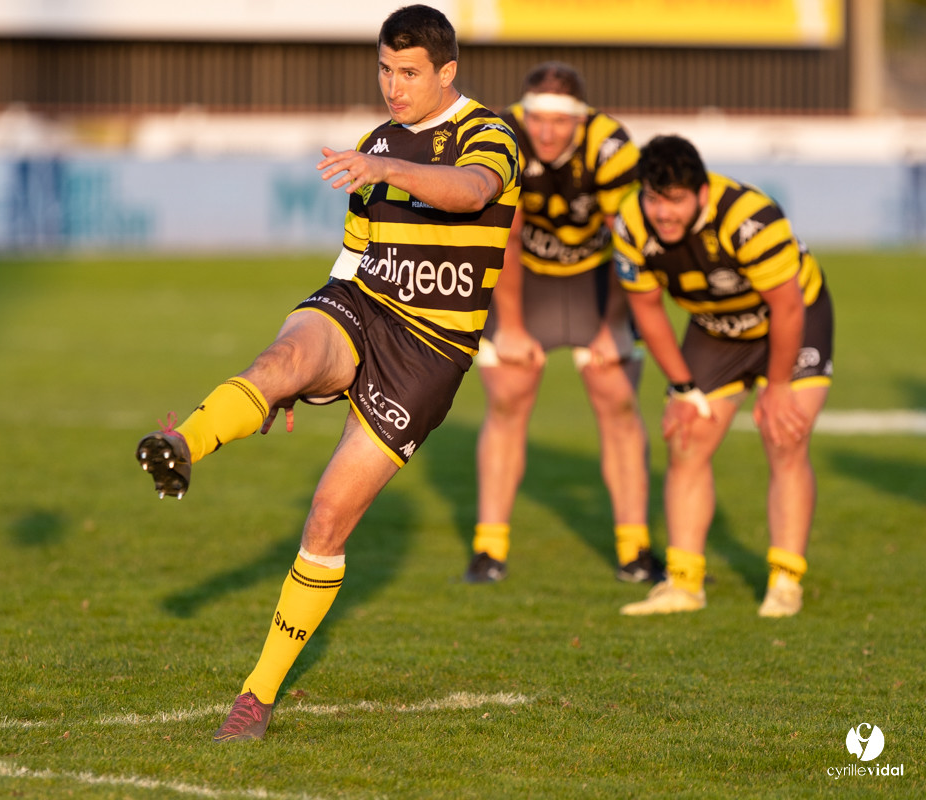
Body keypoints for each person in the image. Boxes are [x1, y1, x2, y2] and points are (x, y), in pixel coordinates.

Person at [135, 4, 518, 741]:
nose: (393, 87)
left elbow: (471, 192)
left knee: (327, 518)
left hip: (429, 354)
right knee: (278, 361)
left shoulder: (487, 133)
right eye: (384, 69)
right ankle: (185, 443)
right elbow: (352, 256)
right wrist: (300, 371)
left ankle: (256, 695)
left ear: (447, 72)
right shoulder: (375, 141)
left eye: (409, 73)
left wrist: (391, 166)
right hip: (361, 302)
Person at [612, 134, 833, 617]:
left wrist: (777, 389)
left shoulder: (751, 218)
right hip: (715, 328)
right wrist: (683, 388)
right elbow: (647, 311)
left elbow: (788, 306)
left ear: (701, 193)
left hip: (792, 321)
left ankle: (785, 581)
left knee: (785, 436)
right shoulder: (630, 223)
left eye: (674, 201)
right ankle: (684, 584)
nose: (663, 212)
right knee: (687, 439)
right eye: (654, 199)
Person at [466, 62, 658, 585]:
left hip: (597, 279)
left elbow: (630, 241)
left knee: (617, 396)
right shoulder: (504, 136)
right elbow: (504, 237)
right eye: (538, 119)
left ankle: (635, 550)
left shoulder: (611, 146)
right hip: (524, 278)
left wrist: (613, 325)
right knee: (507, 395)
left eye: (560, 122)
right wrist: (509, 325)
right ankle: (489, 549)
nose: (546, 133)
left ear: (582, 118)